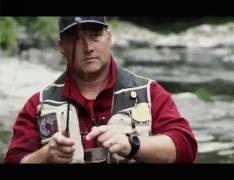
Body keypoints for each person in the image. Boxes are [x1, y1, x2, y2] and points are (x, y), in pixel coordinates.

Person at [4, 16, 197, 164]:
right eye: (76, 39)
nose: (88, 47)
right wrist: (44, 155)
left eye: (95, 36)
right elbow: (13, 159)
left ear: (109, 38)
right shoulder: (38, 104)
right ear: (61, 46)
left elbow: (186, 147)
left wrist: (132, 145)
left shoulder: (149, 92)